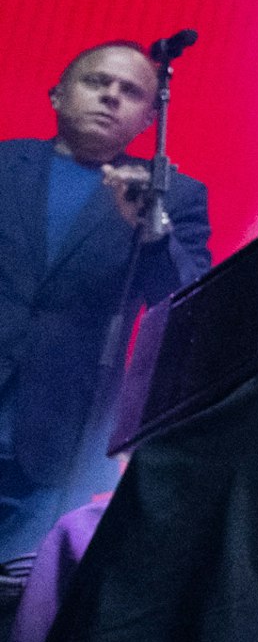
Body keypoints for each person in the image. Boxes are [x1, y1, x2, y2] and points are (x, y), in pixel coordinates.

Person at [1, 43, 211, 567]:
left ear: (147, 120)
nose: (111, 96)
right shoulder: (5, 163)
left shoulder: (172, 195)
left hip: (61, 437)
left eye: (131, 92)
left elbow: (187, 304)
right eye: (97, 82)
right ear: (57, 94)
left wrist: (151, 227)